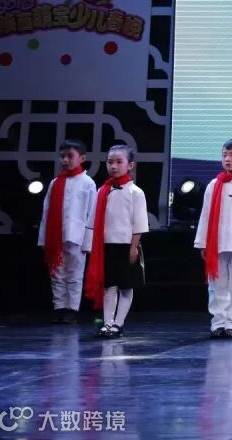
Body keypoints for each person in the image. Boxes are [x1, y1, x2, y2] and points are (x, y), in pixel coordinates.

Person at [84, 144, 148, 338]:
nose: (114, 166)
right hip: (107, 246)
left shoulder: (136, 192)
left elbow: (139, 224)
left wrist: (133, 247)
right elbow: (93, 222)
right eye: (110, 162)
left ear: (130, 165)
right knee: (109, 286)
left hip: (127, 245)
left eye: (119, 162)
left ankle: (119, 323)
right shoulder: (103, 190)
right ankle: (108, 323)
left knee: (126, 286)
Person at [195, 138, 232, 339]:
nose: (227, 159)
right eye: (225, 155)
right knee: (217, 285)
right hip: (216, 243)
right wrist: (203, 243)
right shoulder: (214, 184)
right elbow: (205, 215)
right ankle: (218, 322)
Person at [38, 139, 96, 324]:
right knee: (57, 273)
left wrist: (88, 242)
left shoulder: (87, 182)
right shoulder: (55, 182)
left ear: (82, 158)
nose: (65, 160)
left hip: (76, 236)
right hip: (56, 235)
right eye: (62, 156)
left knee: (74, 274)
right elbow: (46, 212)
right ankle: (59, 307)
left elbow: (91, 214)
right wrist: (43, 238)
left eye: (70, 156)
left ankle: (72, 309)